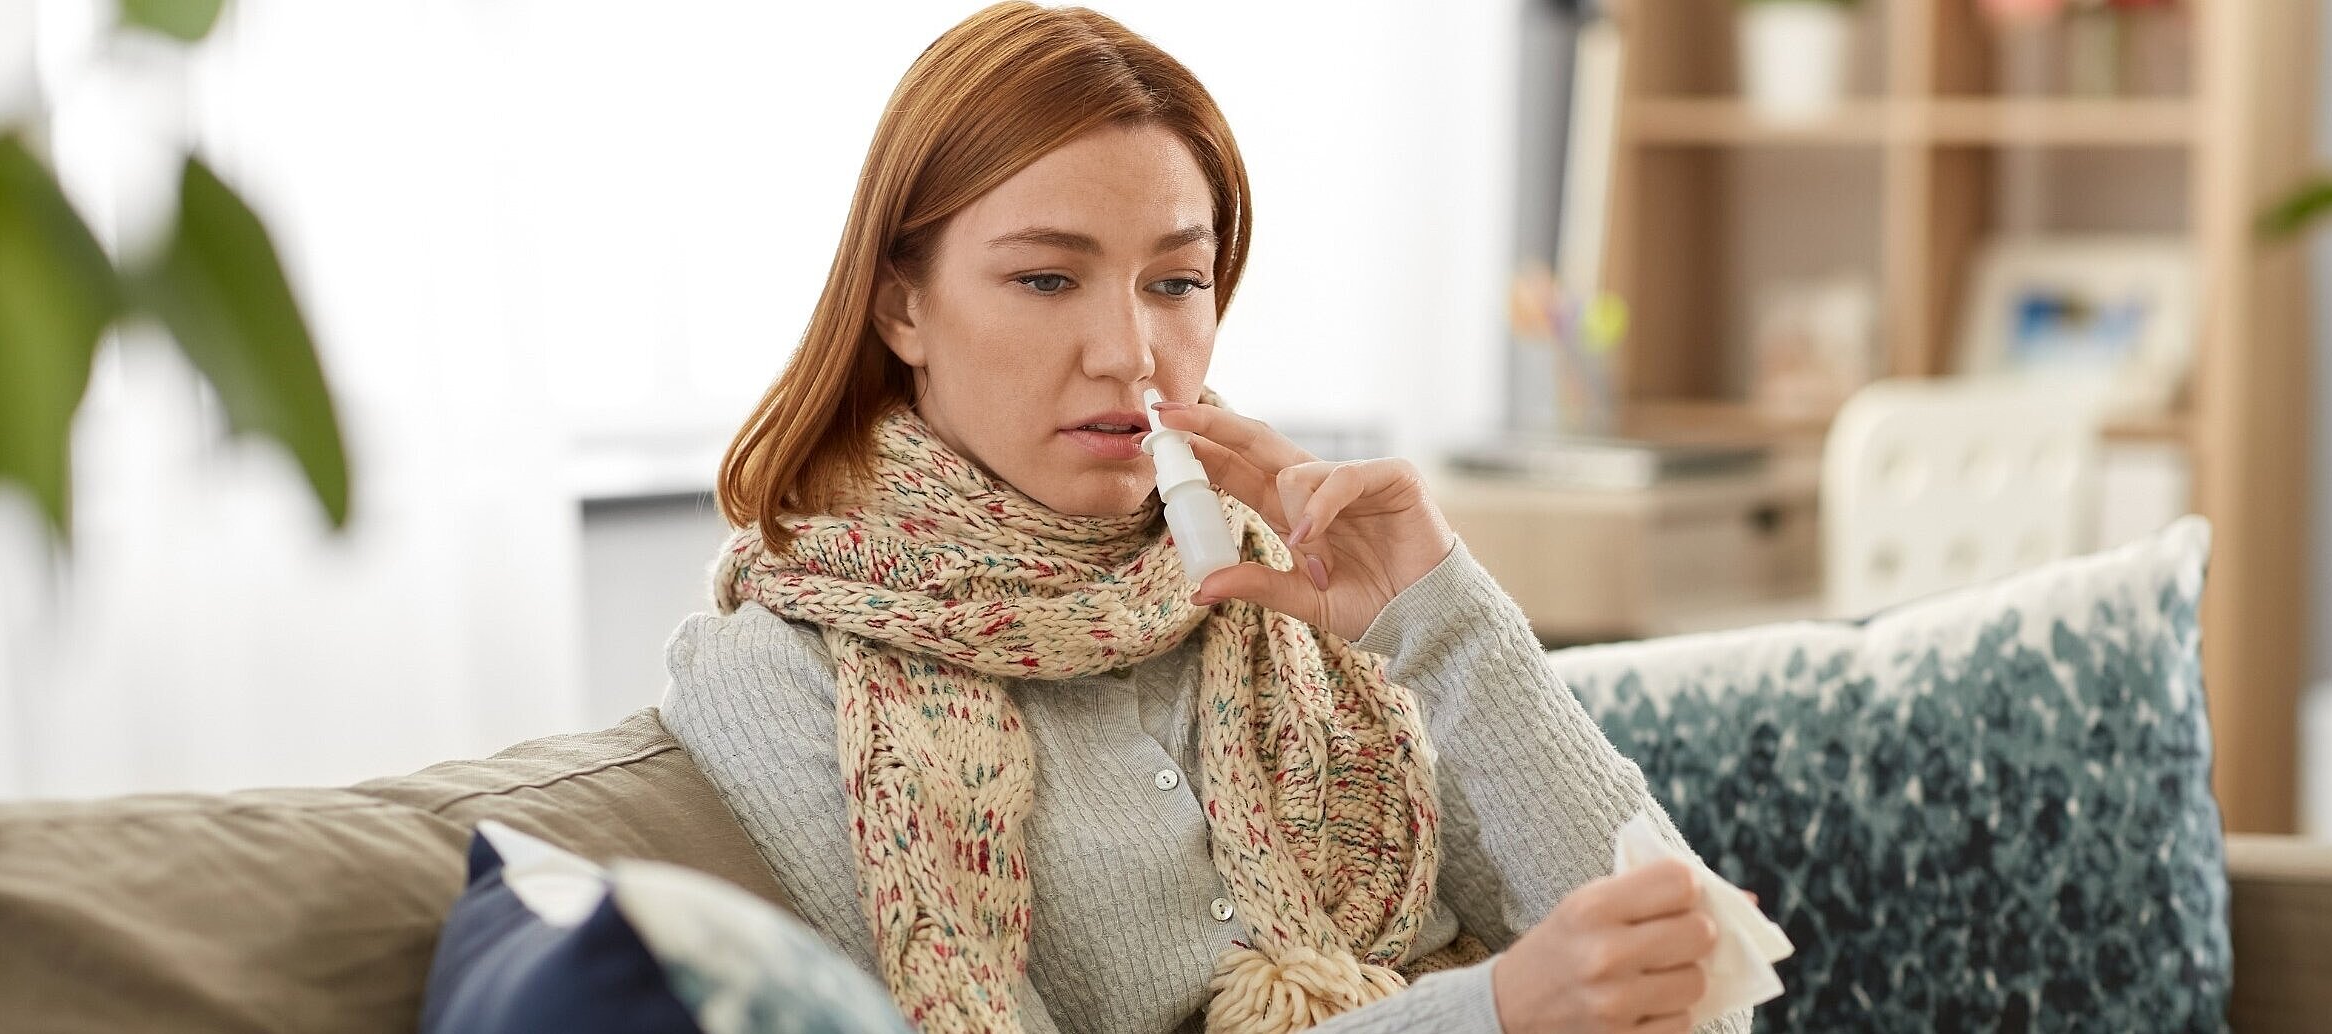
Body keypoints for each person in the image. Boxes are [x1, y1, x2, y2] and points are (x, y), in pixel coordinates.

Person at [659, 5, 1746, 1033]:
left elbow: (1709, 999)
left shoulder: (1289, 577)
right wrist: (1493, 1012)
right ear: (903, 306)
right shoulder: (778, 674)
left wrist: (1441, 613)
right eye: (1046, 279)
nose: (1129, 354)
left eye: (1176, 282)